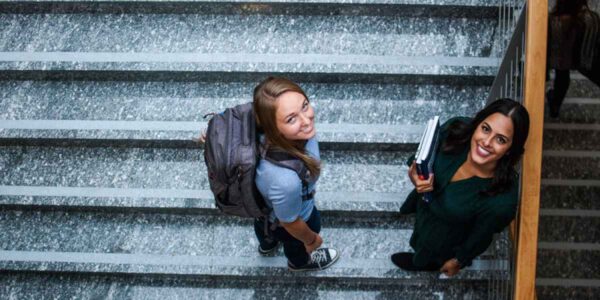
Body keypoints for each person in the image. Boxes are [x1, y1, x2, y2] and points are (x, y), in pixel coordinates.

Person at [391, 99, 530, 277]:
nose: (487, 142)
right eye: (485, 129)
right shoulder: (455, 130)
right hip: (424, 208)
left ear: (510, 149)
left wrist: (459, 260)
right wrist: (415, 172)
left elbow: (481, 236)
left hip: (445, 237)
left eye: (501, 139)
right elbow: (422, 156)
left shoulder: (501, 200)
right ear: (477, 124)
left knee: (428, 256)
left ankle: (424, 264)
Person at [252, 76, 340, 271]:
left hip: (265, 212)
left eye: (305, 106)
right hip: (293, 219)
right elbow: (290, 221)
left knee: (264, 229)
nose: (307, 120)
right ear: (272, 127)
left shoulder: (261, 126)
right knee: (296, 244)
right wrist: (311, 240)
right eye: (291, 119)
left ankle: (267, 246)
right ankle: (299, 263)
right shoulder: (286, 181)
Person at [547, 0, 600, 118]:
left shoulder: (553, 21)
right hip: (585, 59)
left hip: (561, 61)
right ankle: (554, 105)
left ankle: (555, 107)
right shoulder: (592, 18)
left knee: (562, 77)